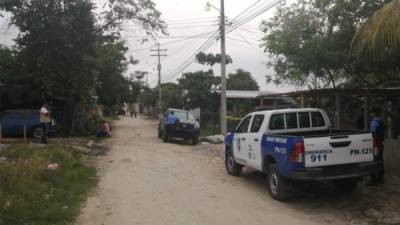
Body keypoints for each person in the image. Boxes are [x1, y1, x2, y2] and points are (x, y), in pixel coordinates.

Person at [370, 107, 385, 185]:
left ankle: (374, 179)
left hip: (376, 144)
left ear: (373, 113)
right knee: (380, 160)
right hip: (381, 143)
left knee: (374, 160)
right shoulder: (381, 121)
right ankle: (381, 178)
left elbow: (373, 133)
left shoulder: (374, 122)